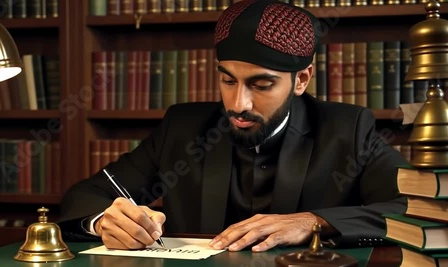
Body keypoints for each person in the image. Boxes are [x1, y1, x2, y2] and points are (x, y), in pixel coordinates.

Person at [58, 0, 408, 252]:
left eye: (261, 84)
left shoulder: (347, 129)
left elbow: (419, 212)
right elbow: (85, 196)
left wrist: (313, 221)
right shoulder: (184, 127)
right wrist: (104, 220)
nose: (238, 104)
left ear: (301, 79)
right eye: (227, 80)